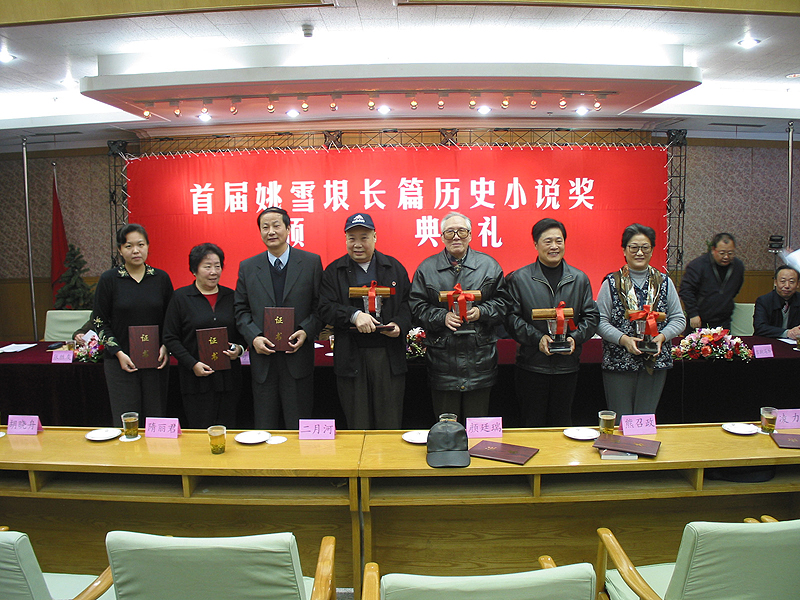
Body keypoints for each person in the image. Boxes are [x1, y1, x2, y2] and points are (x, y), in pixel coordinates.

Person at [409, 211, 510, 422]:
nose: (456, 236)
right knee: (446, 429)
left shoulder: (489, 266)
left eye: (462, 231)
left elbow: (504, 304)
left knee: (477, 429)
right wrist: (442, 317)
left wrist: (481, 312)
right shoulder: (427, 269)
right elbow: (416, 307)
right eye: (450, 232)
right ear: (442, 237)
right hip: (443, 363)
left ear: (470, 235)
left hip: (479, 361)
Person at [317, 213, 412, 429]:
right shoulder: (334, 271)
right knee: (358, 422)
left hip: (388, 355)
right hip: (351, 355)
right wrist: (353, 315)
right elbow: (324, 307)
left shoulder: (394, 268)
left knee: (389, 422)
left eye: (364, 238)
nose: (357, 244)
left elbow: (409, 303)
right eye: (352, 238)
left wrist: (399, 324)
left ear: (375, 237)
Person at [234, 207, 323, 429]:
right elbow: (241, 310)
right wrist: (254, 337)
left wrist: (306, 331)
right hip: (263, 360)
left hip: (298, 358)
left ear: (288, 229)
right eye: (265, 227)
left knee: (299, 425)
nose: (271, 231)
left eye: (276, 226)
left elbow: (320, 306)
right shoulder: (248, 267)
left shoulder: (311, 262)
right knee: (265, 426)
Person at [505, 218, 599, 427]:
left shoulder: (579, 279)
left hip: (567, 367)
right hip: (531, 366)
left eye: (559, 241)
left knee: (562, 423)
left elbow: (592, 316)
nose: (554, 246)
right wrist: (538, 339)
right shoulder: (519, 279)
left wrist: (574, 338)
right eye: (548, 241)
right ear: (536, 244)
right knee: (531, 424)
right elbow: (510, 318)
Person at [597, 223, 685, 420]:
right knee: (621, 419)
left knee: (644, 420)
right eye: (633, 247)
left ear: (652, 250)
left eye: (645, 247)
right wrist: (624, 340)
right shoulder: (611, 282)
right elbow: (600, 321)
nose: (639, 253)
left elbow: (679, 319)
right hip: (619, 362)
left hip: (654, 362)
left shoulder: (664, 282)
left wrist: (662, 337)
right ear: (624, 250)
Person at [94, 223, 173, 420]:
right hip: (120, 362)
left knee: (156, 417)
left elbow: (171, 319)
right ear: (120, 250)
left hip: (156, 361)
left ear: (148, 246)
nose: (136, 250)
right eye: (128, 246)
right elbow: (99, 321)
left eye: (140, 244)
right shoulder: (109, 279)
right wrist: (118, 353)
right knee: (127, 420)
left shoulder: (161, 278)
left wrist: (166, 346)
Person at [163, 243, 245, 429]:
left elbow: (243, 331)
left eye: (217, 266)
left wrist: (239, 349)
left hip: (229, 379)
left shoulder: (232, 297)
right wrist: (192, 364)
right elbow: (170, 337)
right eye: (207, 266)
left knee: (229, 428)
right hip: (195, 380)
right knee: (200, 431)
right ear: (194, 270)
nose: (213, 272)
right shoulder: (181, 298)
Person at [679, 233, 744, 330]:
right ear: (713, 250)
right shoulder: (698, 265)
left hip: (724, 320)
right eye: (722, 253)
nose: (726, 257)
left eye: (730, 253)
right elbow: (686, 290)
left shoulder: (738, 266)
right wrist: (693, 313)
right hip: (699, 319)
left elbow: (736, 289)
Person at [753, 264, 800, 339]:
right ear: (775, 282)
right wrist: (787, 333)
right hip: (768, 341)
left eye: (792, 282)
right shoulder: (764, 300)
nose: (787, 286)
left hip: (794, 342)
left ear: (797, 284)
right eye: (783, 281)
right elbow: (760, 327)